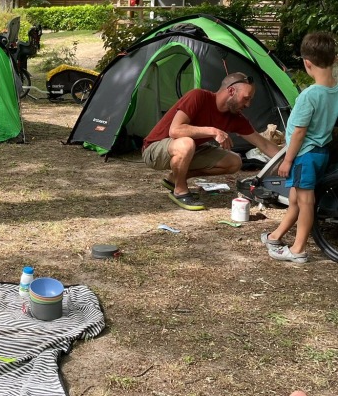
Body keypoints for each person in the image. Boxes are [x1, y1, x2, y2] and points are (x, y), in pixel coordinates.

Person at [142, 72, 282, 210]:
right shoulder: (198, 96)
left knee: (234, 162)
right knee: (187, 143)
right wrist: (213, 131)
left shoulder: (235, 117)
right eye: (246, 98)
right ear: (231, 91)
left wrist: (288, 161)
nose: (248, 104)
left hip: (188, 150)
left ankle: (175, 178)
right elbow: (175, 130)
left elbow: (262, 143)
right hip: (155, 149)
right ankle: (179, 190)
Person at [262, 32, 338, 263]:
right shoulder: (335, 91)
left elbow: (299, 132)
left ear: (307, 63)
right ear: (334, 59)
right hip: (321, 153)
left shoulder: (310, 95)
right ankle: (276, 236)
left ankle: (298, 250)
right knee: (295, 198)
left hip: (305, 155)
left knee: (305, 202)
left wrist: (287, 160)